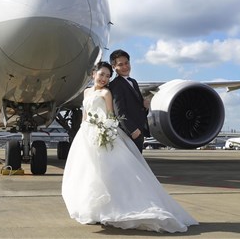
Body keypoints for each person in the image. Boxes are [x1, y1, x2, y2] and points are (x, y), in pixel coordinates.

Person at [62, 61, 198, 233]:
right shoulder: (87, 92)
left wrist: (106, 130)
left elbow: (111, 115)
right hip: (85, 135)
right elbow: (85, 115)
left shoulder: (106, 93)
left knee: (108, 173)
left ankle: (113, 208)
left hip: (103, 134)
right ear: (93, 74)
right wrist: (82, 132)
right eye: (101, 74)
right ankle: (93, 211)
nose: (104, 78)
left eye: (107, 75)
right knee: (88, 173)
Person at [108, 49, 149, 153]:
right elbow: (119, 112)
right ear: (114, 67)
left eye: (127, 63)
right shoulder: (116, 85)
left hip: (139, 130)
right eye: (120, 65)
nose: (125, 67)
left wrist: (144, 106)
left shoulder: (133, 82)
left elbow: (136, 106)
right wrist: (133, 130)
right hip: (129, 133)